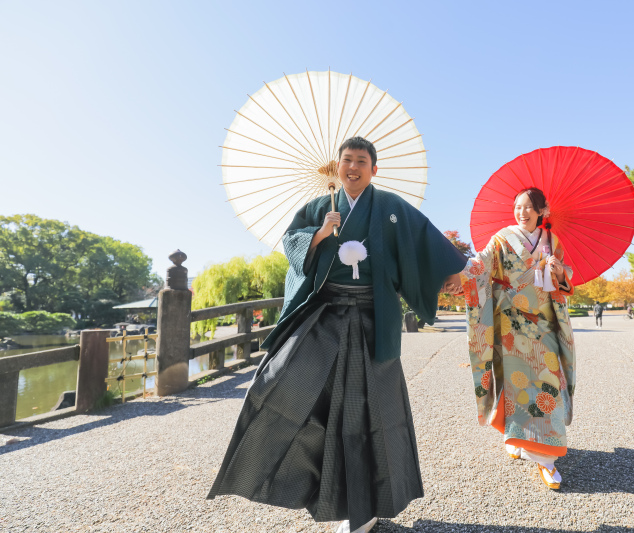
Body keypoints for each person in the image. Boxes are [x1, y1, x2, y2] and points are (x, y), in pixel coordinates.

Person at [206, 137, 466, 533]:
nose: (353, 167)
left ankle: (364, 506)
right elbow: (291, 245)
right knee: (280, 386)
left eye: (362, 161)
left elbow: (424, 239)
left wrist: (454, 270)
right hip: (323, 316)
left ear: (374, 169)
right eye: (347, 160)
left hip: (372, 318)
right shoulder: (318, 208)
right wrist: (319, 234)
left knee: (369, 410)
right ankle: (309, 487)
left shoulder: (391, 207)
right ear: (337, 166)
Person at [458, 187, 575, 490]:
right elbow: (481, 264)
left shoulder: (553, 242)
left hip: (544, 325)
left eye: (528, 207)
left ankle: (545, 457)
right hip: (511, 325)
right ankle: (521, 438)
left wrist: (559, 271)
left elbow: (565, 278)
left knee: (548, 384)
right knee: (517, 386)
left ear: (541, 211)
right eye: (517, 207)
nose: (522, 212)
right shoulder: (501, 238)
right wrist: (457, 269)